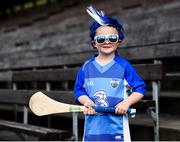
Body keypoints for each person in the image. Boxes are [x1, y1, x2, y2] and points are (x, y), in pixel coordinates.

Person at [74, 5, 146, 141]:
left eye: (112, 38)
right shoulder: (86, 67)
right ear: (94, 43)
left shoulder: (124, 66)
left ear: (118, 41)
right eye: (101, 39)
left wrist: (126, 103)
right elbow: (79, 91)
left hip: (117, 128)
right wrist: (87, 102)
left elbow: (140, 88)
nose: (106, 41)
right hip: (93, 127)